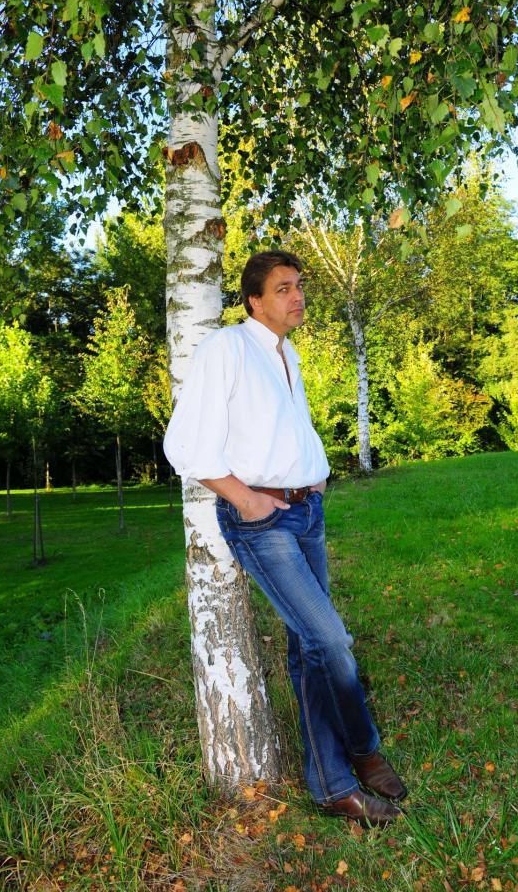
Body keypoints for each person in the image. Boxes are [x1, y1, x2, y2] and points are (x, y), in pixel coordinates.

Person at [163, 250, 407, 826]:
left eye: (298, 286)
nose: (297, 296)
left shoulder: (285, 351)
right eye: (282, 288)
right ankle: (362, 750)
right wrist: (247, 499)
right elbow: (184, 445)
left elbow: (281, 430)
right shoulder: (227, 348)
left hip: (305, 512)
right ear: (254, 300)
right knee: (332, 640)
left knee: (310, 648)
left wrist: (314, 475)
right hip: (262, 520)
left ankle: (333, 780)